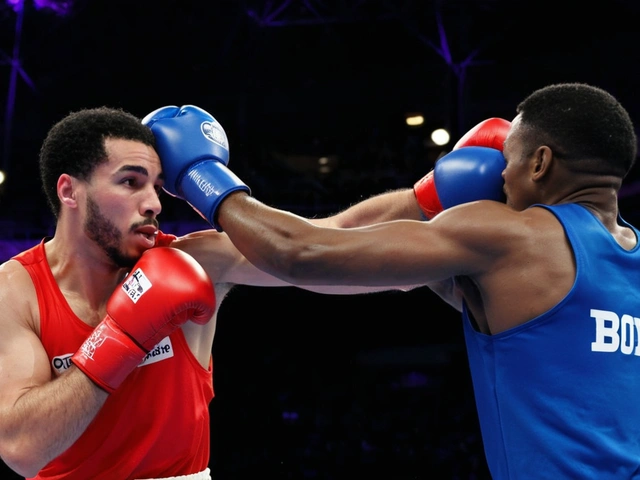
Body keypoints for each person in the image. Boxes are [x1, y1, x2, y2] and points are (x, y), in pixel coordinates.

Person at [146, 82, 640, 479]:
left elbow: (302, 252)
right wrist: (428, 197)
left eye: (509, 160)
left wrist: (200, 174)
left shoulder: (509, 238)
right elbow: (370, 248)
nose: (500, 176)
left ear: (540, 163)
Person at [0, 105, 491, 479]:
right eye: (130, 182)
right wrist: (121, 337)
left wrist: (427, 196)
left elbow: (327, 240)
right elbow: (22, 449)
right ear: (70, 192)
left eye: (156, 184)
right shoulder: (15, 291)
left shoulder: (196, 259)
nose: (153, 202)